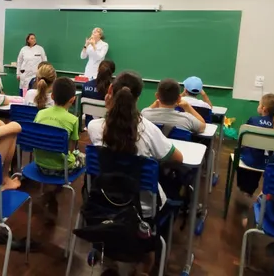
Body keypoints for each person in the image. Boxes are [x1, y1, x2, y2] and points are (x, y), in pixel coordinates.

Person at [87, 71, 183, 275]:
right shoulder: (148, 130)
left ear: (110, 92)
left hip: (103, 201)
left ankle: (110, 263)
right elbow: (178, 158)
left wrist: (108, 108)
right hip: (142, 209)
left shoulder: (94, 127)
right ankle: (142, 262)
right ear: (138, 98)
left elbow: (108, 124)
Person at [33, 77, 82, 220]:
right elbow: (71, 149)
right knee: (84, 158)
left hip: (39, 164)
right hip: (61, 170)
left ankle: (50, 191)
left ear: (52, 96)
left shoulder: (40, 113)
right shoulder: (73, 120)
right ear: (73, 100)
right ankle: (52, 192)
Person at [235, 93, 274, 205]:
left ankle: (242, 188)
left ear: (263, 108)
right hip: (266, 163)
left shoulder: (253, 120)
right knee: (260, 156)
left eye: (259, 104)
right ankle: (249, 191)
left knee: (243, 154)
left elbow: (241, 139)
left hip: (248, 160)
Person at [141, 78, 206, 134]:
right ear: (179, 99)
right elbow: (203, 126)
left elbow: (142, 115)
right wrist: (188, 106)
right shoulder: (187, 119)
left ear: (157, 96)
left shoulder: (145, 115)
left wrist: (153, 105)